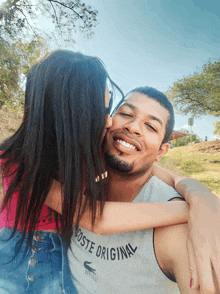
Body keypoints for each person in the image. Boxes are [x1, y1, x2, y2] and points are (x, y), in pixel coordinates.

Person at [0, 51, 189, 293]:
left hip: (59, 256)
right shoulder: (23, 161)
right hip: (20, 259)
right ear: (68, 113)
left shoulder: (89, 148)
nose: (109, 121)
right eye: (101, 110)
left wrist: (200, 197)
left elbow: (155, 169)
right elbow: (96, 219)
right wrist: (186, 209)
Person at [46, 86, 220, 293]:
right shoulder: (80, 178)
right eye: (126, 114)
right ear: (108, 122)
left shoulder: (178, 230)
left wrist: (201, 203)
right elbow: (98, 219)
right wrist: (200, 201)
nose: (133, 127)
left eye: (151, 127)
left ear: (162, 151)